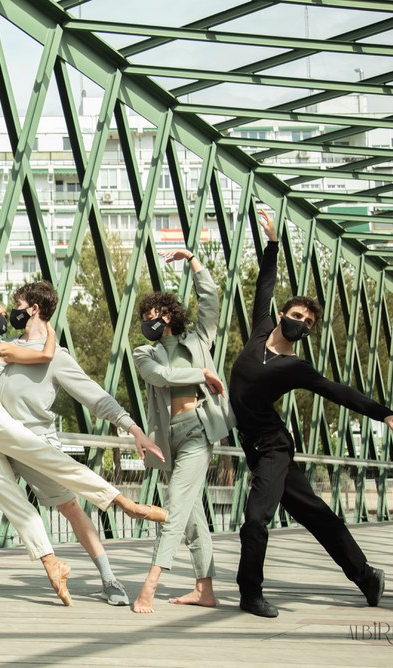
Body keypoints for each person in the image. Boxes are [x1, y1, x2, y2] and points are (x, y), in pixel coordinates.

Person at [0, 244, 166, 606]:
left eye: (13, 305)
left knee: (71, 509)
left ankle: (109, 577)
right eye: (1, 308)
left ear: (31, 309)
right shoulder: (2, 349)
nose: (8, 311)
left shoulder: (50, 356)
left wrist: (132, 427)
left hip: (31, 439)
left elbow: (94, 396)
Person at [231, 209, 393, 618]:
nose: (301, 324)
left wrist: (383, 413)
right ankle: (366, 575)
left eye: (309, 323)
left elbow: (340, 392)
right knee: (316, 515)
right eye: (297, 316)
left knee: (255, 520)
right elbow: (265, 284)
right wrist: (273, 243)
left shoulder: (297, 368)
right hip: (256, 445)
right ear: (283, 315)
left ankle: (250, 593)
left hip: (273, 449)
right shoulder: (262, 327)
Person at [131, 247, 235, 613]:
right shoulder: (144, 353)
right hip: (167, 439)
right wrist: (202, 374)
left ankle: (150, 584)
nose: (148, 320)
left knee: (175, 505)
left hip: (198, 430)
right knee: (192, 514)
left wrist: (193, 260)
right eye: (144, 316)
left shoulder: (198, 339)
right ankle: (204, 588)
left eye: (153, 314)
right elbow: (160, 377)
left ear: (170, 315)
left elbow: (211, 301)